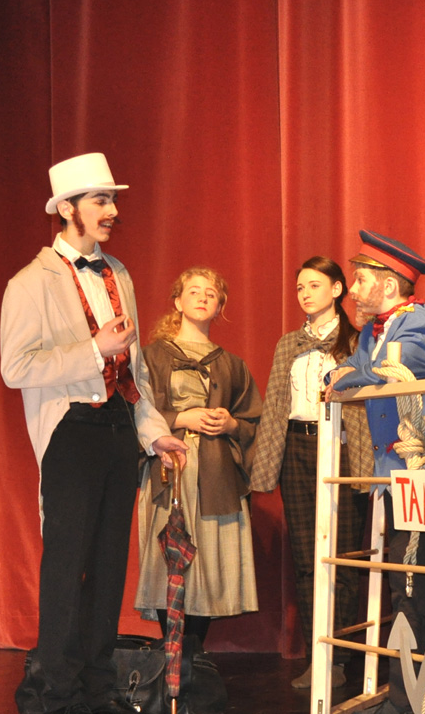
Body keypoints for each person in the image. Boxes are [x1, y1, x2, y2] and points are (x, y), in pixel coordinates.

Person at [1, 152, 187, 714]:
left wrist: (153, 432)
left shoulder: (118, 273)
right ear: (67, 209)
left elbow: (135, 370)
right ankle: (55, 692)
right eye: (100, 200)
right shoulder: (29, 282)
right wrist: (92, 350)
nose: (111, 211)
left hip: (117, 429)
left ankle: (99, 687)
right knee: (66, 563)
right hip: (71, 429)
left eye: (112, 200)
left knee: (108, 565)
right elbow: (15, 367)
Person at [326, 230, 425, 714]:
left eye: (360, 281)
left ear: (390, 284)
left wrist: (348, 375)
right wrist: (343, 374)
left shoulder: (420, 324)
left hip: (424, 471)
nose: (352, 291)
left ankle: (420, 700)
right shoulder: (374, 331)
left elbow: (388, 367)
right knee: (404, 585)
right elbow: (356, 366)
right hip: (395, 477)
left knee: (420, 586)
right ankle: (405, 698)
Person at [251, 256, 372, 689]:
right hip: (297, 448)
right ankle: (317, 655)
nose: (304, 293)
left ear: (337, 289)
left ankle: (341, 657)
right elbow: (275, 406)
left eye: (315, 284)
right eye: (300, 286)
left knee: (342, 556)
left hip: (342, 448)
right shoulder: (289, 343)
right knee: (306, 557)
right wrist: (265, 463)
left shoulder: (359, 340)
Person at [134, 267, 262, 647]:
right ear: (177, 302)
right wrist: (180, 419)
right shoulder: (151, 357)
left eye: (211, 293)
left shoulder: (232, 365)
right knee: (167, 558)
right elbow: (135, 410)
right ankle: (171, 651)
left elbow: (254, 422)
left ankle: (192, 652)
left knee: (208, 560)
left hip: (215, 475)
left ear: (220, 306)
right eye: (194, 291)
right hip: (169, 471)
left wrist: (230, 424)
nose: (203, 297)